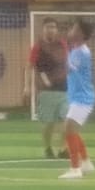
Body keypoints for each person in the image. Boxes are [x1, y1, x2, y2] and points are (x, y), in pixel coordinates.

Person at [58, 19, 95, 181]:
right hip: (79, 97)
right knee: (72, 130)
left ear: (80, 34)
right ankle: (86, 163)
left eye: (73, 28)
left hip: (82, 98)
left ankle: (75, 169)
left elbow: (67, 70)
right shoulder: (77, 50)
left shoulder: (80, 52)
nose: (70, 31)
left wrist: (62, 50)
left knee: (69, 129)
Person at [28, 17, 69, 160]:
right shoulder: (38, 47)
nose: (51, 29)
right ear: (43, 29)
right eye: (48, 27)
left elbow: (67, 64)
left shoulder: (62, 44)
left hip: (64, 89)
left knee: (67, 120)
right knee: (49, 123)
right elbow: (30, 67)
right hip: (46, 91)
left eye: (53, 27)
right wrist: (27, 86)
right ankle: (47, 148)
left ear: (56, 30)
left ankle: (63, 149)